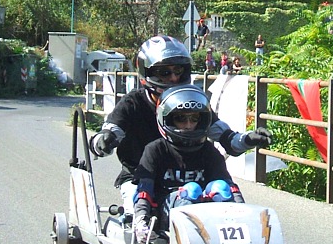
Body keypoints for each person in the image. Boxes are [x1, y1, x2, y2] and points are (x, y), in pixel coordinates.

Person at [89, 35, 271, 214]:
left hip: (189, 178)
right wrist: (104, 141)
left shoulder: (192, 100)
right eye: (164, 73)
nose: (174, 78)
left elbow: (228, 139)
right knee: (134, 213)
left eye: (178, 71)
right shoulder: (132, 103)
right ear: (147, 72)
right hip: (142, 178)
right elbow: (108, 132)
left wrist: (249, 139)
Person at [133, 84, 244, 244]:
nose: (188, 125)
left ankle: (232, 242)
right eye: (181, 118)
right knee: (191, 190)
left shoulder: (209, 150)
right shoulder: (155, 149)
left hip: (204, 216)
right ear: (168, 119)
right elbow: (144, 191)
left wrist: (246, 216)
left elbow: (230, 187)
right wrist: (141, 220)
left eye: (194, 119)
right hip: (167, 213)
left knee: (221, 187)